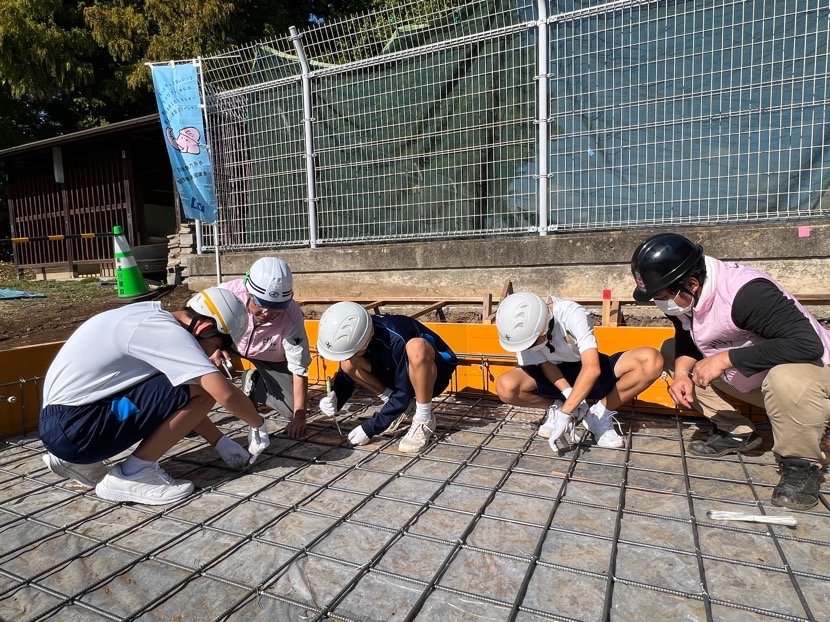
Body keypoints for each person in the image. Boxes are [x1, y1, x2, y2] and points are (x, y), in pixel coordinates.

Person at [631, 232, 830, 510]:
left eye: (662, 297)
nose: (661, 304)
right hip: (758, 382)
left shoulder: (747, 293)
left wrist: (724, 359)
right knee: (671, 351)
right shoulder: (683, 295)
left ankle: (801, 464)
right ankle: (737, 432)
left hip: (814, 382)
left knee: (786, 377)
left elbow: (806, 345)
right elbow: (687, 337)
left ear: (691, 284)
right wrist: (681, 375)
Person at [39, 287, 271, 505]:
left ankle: (72, 461)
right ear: (203, 328)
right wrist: (258, 424)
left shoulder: (148, 318)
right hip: (77, 429)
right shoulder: (168, 333)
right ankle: (133, 474)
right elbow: (222, 393)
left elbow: (173, 399)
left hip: (64, 423)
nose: (215, 355)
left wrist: (220, 442)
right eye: (218, 346)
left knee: (186, 384)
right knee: (204, 388)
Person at [495, 292, 663, 450]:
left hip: (586, 368)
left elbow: (591, 367)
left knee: (650, 360)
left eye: (532, 342)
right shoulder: (521, 334)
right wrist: (568, 395)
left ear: (544, 326)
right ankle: (555, 406)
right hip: (555, 375)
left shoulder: (571, 314)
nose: (529, 347)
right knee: (506, 386)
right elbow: (546, 365)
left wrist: (566, 413)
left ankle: (598, 415)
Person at [316, 301, 458, 453]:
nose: (350, 355)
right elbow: (346, 373)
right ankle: (395, 405)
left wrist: (371, 428)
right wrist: (336, 397)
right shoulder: (360, 334)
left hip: (433, 376)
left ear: (364, 343)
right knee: (348, 363)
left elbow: (403, 393)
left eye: (353, 351)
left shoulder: (395, 340)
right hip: (394, 371)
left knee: (417, 347)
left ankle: (424, 418)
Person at [219, 257, 311, 438]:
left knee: (291, 410)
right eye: (260, 304)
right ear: (248, 292)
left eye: (276, 308)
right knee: (199, 363)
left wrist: (300, 416)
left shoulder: (292, 316)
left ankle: (255, 383)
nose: (267, 313)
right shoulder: (227, 294)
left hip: (269, 356)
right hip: (229, 344)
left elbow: (299, 367)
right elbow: (194, 324)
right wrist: (213, 345)